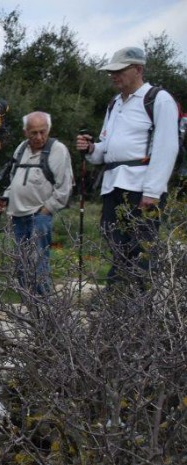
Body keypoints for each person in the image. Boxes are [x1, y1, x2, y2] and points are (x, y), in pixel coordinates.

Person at [76, 46, 179, 288]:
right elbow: (107, 149)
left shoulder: (157, 99)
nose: (113, 75)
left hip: (141, 187)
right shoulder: (114, 103)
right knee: (116, 243)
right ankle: (119, 300)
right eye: (111, 71)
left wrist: (152, 192)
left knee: (141, 247)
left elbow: (167, 147)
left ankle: (136, 307)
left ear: (138, 69)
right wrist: (91, 149)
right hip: (113, 184)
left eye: (120, 70)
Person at [0, 112, 73, 295]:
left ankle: (45, 307)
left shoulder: (58, 150)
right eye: (34, 133)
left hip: (39, 215)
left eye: (42, 132)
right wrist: (6, 196)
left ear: (48, 130)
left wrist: (47, 209)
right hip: (17, 214)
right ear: (25, 132)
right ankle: (28, 305)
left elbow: (64, 186)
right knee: (22, 263)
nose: (39, 137)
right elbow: (14, 177)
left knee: (38, 262)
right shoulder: (21, 148)